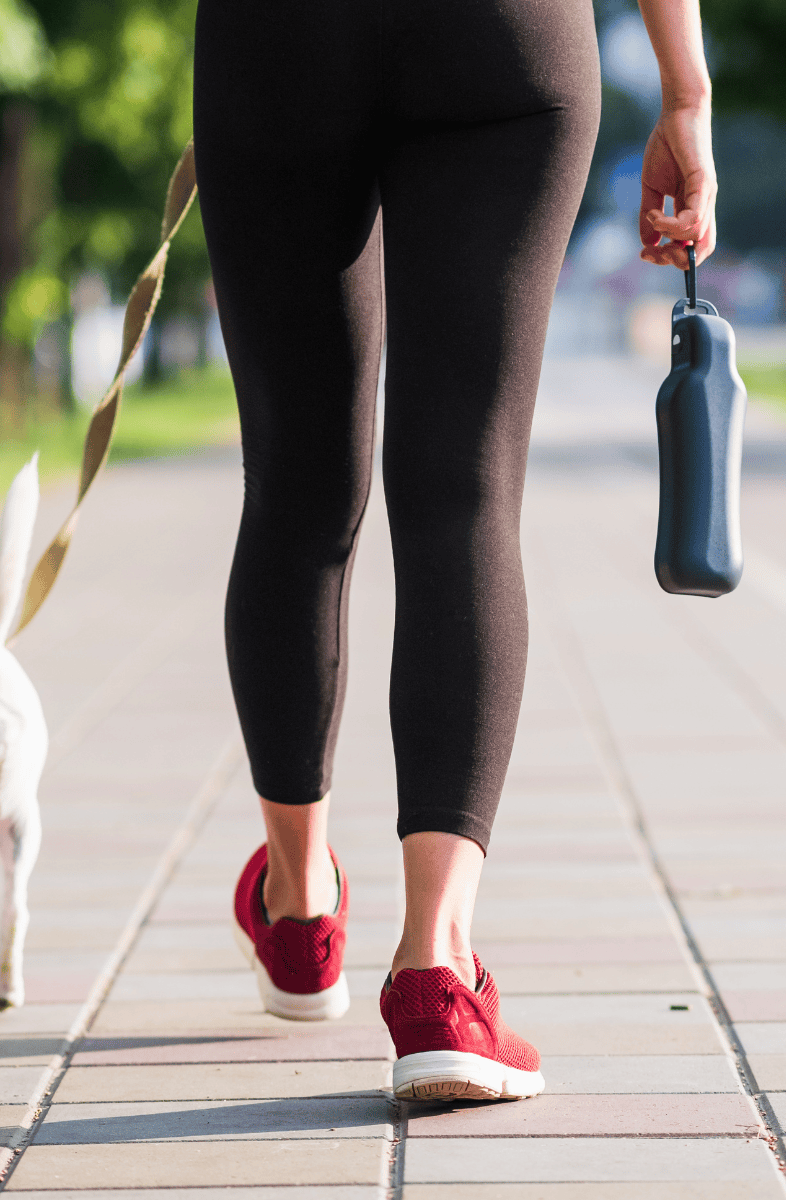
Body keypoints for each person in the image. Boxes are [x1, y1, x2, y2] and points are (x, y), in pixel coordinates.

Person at [195, 0, 716, 1101]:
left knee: (294, 488)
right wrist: (685, 91)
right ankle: (437, 970)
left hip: (283, 42)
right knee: (463, 491)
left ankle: (297, 913)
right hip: (504, 37)